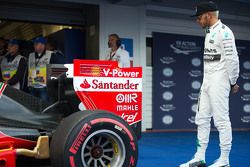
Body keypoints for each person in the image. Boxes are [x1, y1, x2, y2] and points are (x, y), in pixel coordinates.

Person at [180, 1, 240, 167]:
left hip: (220, 82)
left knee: (221, 120)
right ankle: (199, 157)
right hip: (207, 82)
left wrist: (233, 81)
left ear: (209, 15)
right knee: (201, 119)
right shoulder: (209, 32)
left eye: (199, 17)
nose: (197, 20)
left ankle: (224, 160)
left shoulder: (224, 32)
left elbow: (232, 60)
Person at [28, 37, 53, 101]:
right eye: (34, 44)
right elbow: (28, 69)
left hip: (44, 86)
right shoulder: (31, 55)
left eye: (36, 44)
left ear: (42, 46)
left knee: (44, 105)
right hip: (32, 86)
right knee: (32, 105)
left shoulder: (51, 54)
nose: (34, 45)